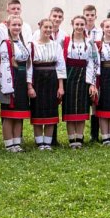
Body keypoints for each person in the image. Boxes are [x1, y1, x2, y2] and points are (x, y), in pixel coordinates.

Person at [27, 18, 66, 151]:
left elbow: (61, 66)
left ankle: (47, 142)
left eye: (50, 28)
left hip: (52, 79)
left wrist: (60, 86)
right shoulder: (32, 45)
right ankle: (39, 142)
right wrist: (30, 85)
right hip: (37, 78)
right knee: (37, 108)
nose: (48, 30)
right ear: (40, 27)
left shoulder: (56, 45)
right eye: (46, 27)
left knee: (51, 108)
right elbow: (29, 66)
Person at [60, 15, 98, 149]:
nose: (79, 27)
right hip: (69, 75)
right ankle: (72, 139)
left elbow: (94, 62)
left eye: (82, 24)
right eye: (77, 24)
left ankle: (79, 138)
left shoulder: (90, 43)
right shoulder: (65, 41)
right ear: (72, 24)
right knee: (69, 106)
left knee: (82, 107)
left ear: (85, 25)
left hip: (83, 75)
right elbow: (60, 61)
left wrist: (92, 83)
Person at [0, 14, 33, 153]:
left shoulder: (23, 43)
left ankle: (17, 142)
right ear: (8, 26)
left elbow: (28, 64)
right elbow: (5, 65)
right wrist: (8, 86)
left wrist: (28, 83)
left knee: (19, 113)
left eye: (19, 25)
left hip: (22, 79)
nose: (17, 27)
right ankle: (9, 144)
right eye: (14, 25)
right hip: (11, 79)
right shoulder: (5, 43)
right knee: (9, 113)